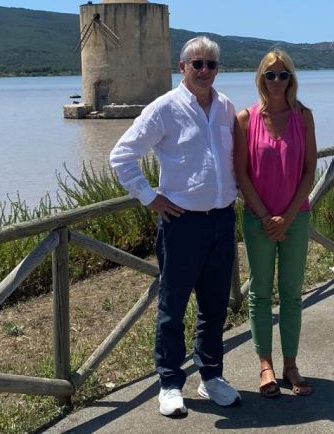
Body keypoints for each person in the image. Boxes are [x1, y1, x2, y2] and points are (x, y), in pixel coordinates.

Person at [110, 36, 241, 416]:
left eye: (210, 65)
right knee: (173, 307)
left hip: (222, 219)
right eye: (196, 64)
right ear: (181, 67)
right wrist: (149, 197)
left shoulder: (226, 106)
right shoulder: (163, 109)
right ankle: (169, 383)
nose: (203, 71)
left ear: (217, 69)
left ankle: (211, 377)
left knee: (215, 306)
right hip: (182, 224)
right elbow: (122, 156)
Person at [234, 49, 317, 397]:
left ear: (292, 79)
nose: (277, 81)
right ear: (261, 78)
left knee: (291, 294)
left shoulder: (304, 116)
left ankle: (291, 365)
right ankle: (265, 365)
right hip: (258, 219)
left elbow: (310, 170)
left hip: (296, 218)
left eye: (284, 75)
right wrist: (267, 217)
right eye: (271, 74)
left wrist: (288, 215)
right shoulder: (245, 119)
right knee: (260, 292)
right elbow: (240, 172)